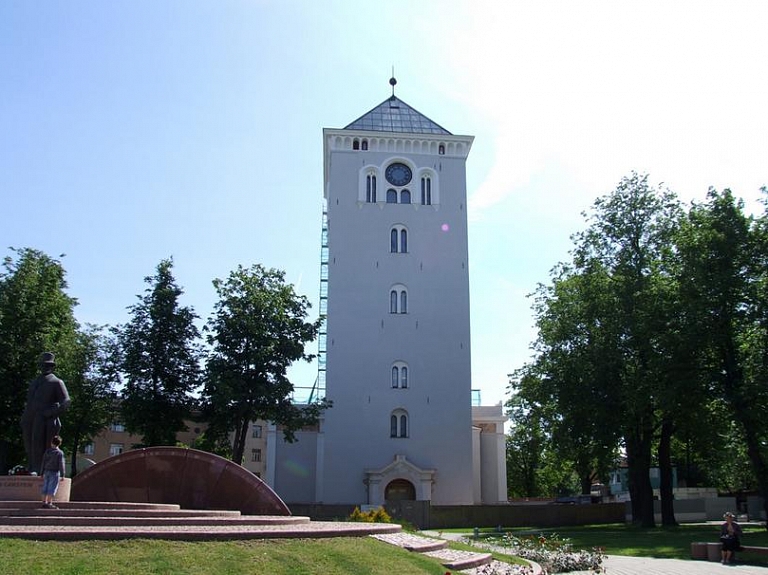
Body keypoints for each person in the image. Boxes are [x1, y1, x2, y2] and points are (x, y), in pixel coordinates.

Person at [20, 352, 70, 474]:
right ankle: (31, 467)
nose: (45, 367)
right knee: (29, 445)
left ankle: (39, 469)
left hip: (44, 419)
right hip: (30, 418)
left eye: (48, 365)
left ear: (52, 367)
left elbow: (66, 401)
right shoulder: (34, 382)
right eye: (42, 365)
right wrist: (25, 417)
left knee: (40, 446)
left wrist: (51, 412)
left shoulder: (56, 382)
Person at [40, 435, 65, 509]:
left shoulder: (47, 451)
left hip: (46, 471)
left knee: (45, 486)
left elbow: (43, 462)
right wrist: (63, 474)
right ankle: (49, 503)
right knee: (52, 487)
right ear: (59, 443)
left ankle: (44, 502)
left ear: (51, 443)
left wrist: (41, 472)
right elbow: (61, 464)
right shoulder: (59, 453)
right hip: (54, 472)